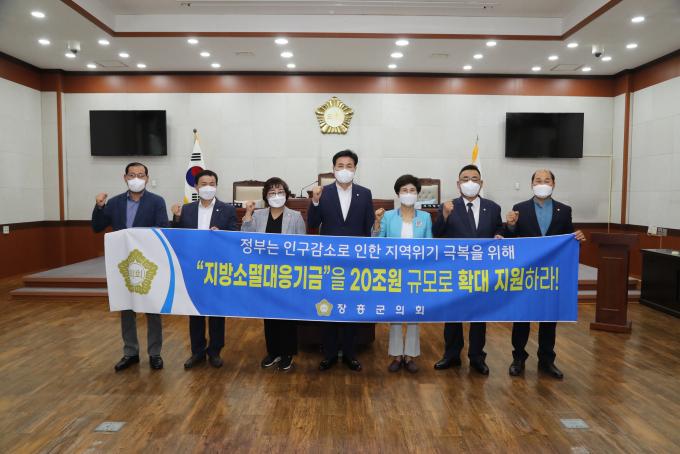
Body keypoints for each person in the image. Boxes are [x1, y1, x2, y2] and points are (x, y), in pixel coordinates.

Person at [504, 169, 586, 379]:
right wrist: (510, 226)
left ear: (554, 184)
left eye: (546, 180)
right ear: (531, 184)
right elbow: (511, 238)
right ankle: (518, 358)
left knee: (549, 317)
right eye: (538, 180)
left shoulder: (564, 210)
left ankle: (547, 360)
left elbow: (568, 237)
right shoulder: (519, 208)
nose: (542, 184)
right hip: (526, 272)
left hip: (551, 273)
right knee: (522, 317)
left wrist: (577, 237)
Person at [92, 162, 169, 372]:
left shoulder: (157, 201)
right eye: (132, 175)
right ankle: (130, 352)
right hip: (123, 263)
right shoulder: (115, 202)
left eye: (141, 175)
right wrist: (99, 206)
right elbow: (97, 227)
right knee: (126, 307)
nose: (137, 178)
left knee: (153, 309)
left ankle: (155, 353)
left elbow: (163, 228)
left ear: (147, 178)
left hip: (149, 262)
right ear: (125, 177)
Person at [432, 164, 503, 375]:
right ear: (458, 184)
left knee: (479, 316)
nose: (470, 182)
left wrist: (502, 233)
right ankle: (452, 355)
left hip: (482, 271)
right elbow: (436, 234)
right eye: (465, 179)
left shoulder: (493, 208)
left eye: (474, 179)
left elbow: (499, 230)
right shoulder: (448, 206)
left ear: (481, 183)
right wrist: (444, 215)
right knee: (453, 314)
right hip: (455, 270)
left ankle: (477, 356)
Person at [308, 149, 375, 372]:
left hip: (355, 263)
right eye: (340, 166)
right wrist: (315, 201)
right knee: (327, 306)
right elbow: (312, 224)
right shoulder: (323, 192)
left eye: (349, 166)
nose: (344, 170)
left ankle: (349, 353)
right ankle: (328, 353)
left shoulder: (365, 193)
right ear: (333, 169)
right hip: (329, 262)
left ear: (355, 169)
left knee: (350, 308)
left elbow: (368, 228)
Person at [171, 170, 237, 369]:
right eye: (204, 183)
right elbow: (177, 236)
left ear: (216, 186)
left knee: (216, 311)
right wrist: (176, 218)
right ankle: (197, 351)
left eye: (212, 183)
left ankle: (215, 351)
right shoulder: (186, 209)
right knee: (195, 310)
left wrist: (222, 234)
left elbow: (235, 234)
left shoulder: (227, 209)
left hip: (217, 267)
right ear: (196, 187)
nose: (208, 187)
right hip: (193, 267)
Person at [241, 177, 306, 371]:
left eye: (280, 192)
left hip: (287, 274)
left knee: (287, 315)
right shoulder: (258, 215)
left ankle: (287, 354)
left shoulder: (295, 216)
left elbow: (302, 245)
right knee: (269, 315)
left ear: (286, 195)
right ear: (265, 196)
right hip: (266, 273)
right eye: (272, 192)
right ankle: (273, 352)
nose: (276, 196)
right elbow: (246, 239)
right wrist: (248, 213)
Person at [373, 174, 432, 373]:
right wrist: (377, 223)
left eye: (412, 190)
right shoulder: (388, 216)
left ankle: (410, 355)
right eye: (404, 190)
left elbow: (430, 246)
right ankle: (397, 355)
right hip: (394, 273)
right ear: (398, 194)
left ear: (418, 194)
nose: (408, 193)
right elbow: (378, 242)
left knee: (414, 314)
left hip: (416, 273)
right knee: (396, 313)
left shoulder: (425, 217)